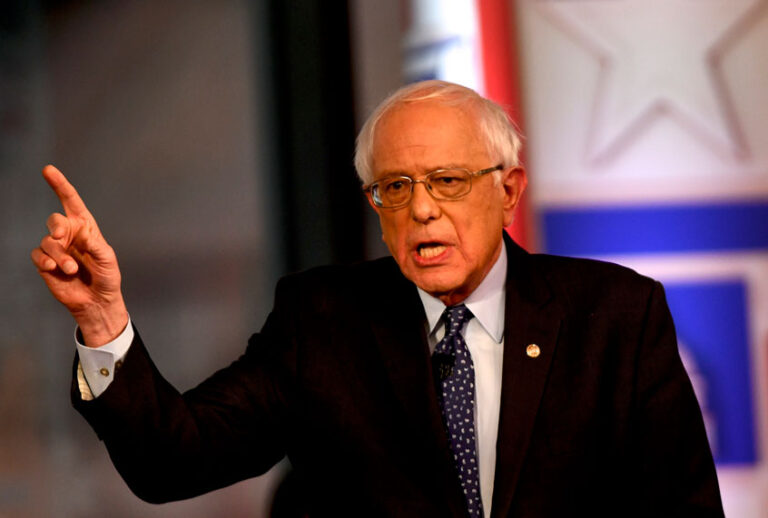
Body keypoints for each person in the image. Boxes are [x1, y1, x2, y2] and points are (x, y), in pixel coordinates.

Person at [31, 80, 724, 517]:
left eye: (447, 180)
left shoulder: (616, 315)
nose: (421, 210)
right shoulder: (323, 320)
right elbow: (172, 461)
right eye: (395, 188)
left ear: (508, 190)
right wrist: (101, 319)